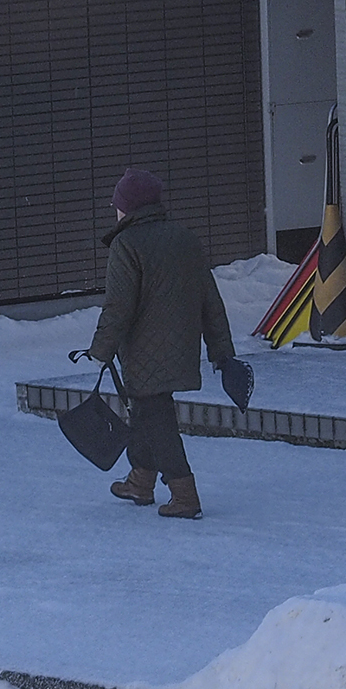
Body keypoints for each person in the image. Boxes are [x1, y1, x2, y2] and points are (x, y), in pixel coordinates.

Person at [88, 167, 235, 519]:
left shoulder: (127, 244)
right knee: (146, 410)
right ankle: (141, 480)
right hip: (181, 345)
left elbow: (119, 306)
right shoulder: (184, 237)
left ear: (129, 207)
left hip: (144, 348)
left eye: (118, 204)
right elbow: (209, 298)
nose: (115, 210)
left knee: (156, 417)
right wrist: (221, 350)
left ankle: (184, 494)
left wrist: (100, 349)